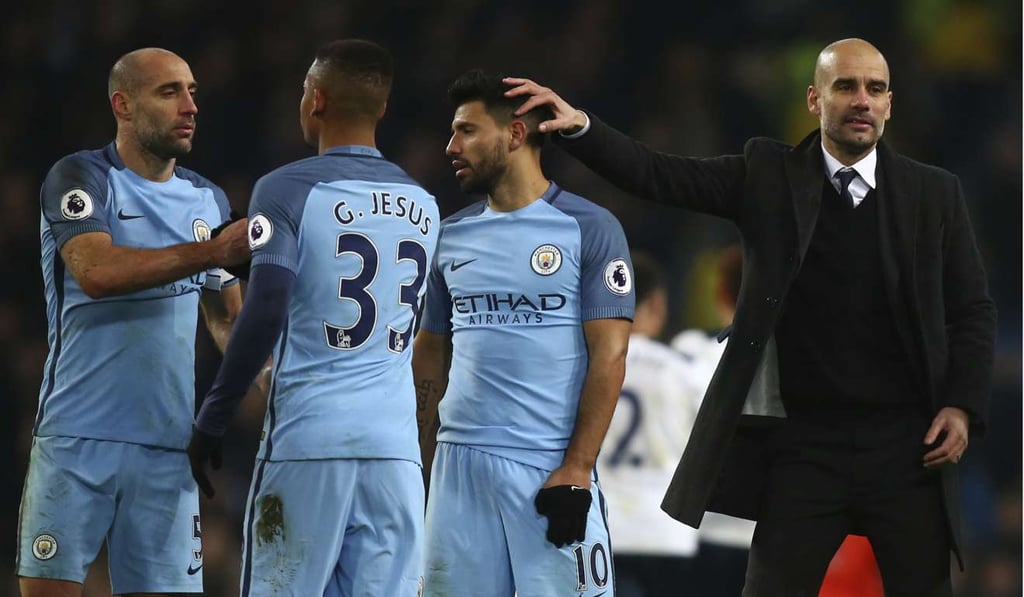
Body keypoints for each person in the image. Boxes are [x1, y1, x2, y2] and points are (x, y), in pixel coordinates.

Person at [505, 37, 996, 597]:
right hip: (805, 448)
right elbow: (660, 174)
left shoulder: (935, 194)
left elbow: (973, 311)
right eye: (846, 86)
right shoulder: (769, 173)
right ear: (815, 99)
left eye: (875, 89)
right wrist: (579, 128)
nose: (862, 100)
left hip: (907, 446)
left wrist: (961, 405)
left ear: (889, 103)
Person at [188, 39, 438, 596]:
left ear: (316, 100)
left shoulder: (286, 190)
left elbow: (267, 306)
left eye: (304, 90)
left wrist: (213, 416)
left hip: (310, 444)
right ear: (383, 110)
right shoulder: (424, 203)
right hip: (394, 457)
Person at [19, 47, 251, 597]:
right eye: (169, 92)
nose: (189, 105)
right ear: (123, 105)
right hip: (76, 438)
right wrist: (209, 253)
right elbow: (96, 270)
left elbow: (226, 320)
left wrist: (265, 379)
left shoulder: (206, 199)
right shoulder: (80, 176)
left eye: (192, 91)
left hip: (168, 448)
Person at [414, 69, 634, 596]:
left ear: (515, 134)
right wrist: (416, 469)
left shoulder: (589, 228)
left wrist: (579, 466)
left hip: (547, 466)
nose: (451, 146)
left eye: (466, 130)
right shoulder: (449, 235)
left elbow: (611, 355)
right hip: (457, 470)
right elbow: (430, 359)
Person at [597, 249, 700, 596]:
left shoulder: (586, 370)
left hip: (605, 529)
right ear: (657, 304)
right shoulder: (684, 371)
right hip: (667, 531)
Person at [669, 244, 757, 597]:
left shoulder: (688, 354)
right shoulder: (801, 363)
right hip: (773, 533)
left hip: (703, 529)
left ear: (720, 291)